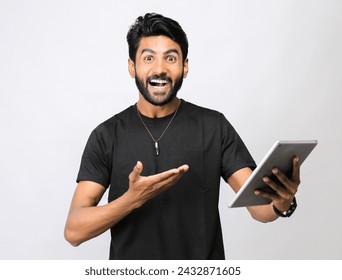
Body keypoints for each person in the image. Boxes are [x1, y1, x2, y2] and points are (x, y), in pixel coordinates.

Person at [64, 13, 301, 260]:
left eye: (170, 58)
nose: (159, 69)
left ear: (185, 67)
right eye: (148, 58)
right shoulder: (106, 135)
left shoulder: (214, 127)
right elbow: (74, 230)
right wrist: (131, 200)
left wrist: (281, 203)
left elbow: (259, 208)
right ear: (132, 66)